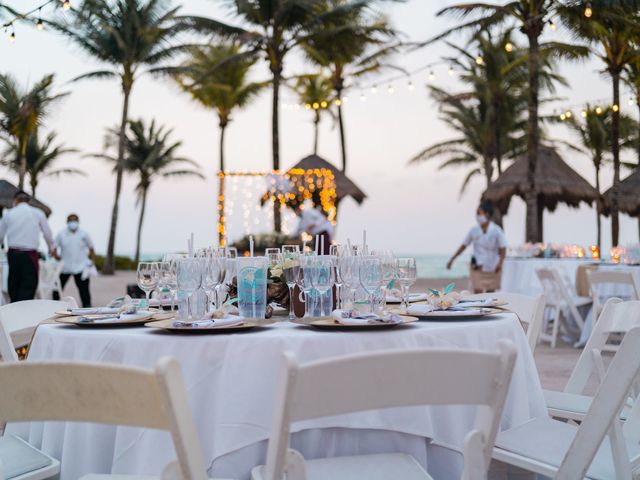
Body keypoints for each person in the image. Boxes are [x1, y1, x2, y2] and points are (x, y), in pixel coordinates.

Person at [0, 190, 55, 302]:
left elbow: (0, 235)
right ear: (29, 201)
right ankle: (24, 312)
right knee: (28, 286)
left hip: (13, 255)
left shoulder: (9, 214)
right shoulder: (38, 213)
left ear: (15, 201)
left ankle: (14, 311)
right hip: (29, 255)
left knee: (14, 285)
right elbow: (47, 234)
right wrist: (51, 248)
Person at [447, 202, 507, 293]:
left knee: (491, 294)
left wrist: (500, 263)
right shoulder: (473, 230)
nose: (477, 216)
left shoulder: (496, 230)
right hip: (477, 266)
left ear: (487, 214)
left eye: (479, 213)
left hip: (493, 266)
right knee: (477, 292)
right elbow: (464, 246)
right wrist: (452, 259)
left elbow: (503, 248)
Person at [53, 214, 95, 307]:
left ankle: (87, 307)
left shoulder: (84, 234)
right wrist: (57, 257)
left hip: (81, 266)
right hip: (65, 267)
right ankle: (54, 305)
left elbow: (91, 248)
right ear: (67, 222)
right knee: (57, 288)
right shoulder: (61, 234)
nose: (73, 222)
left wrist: (90, 260)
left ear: (78, 222)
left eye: (74, 220)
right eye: (71, 220)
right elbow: (54, 248)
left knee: (84, 290)